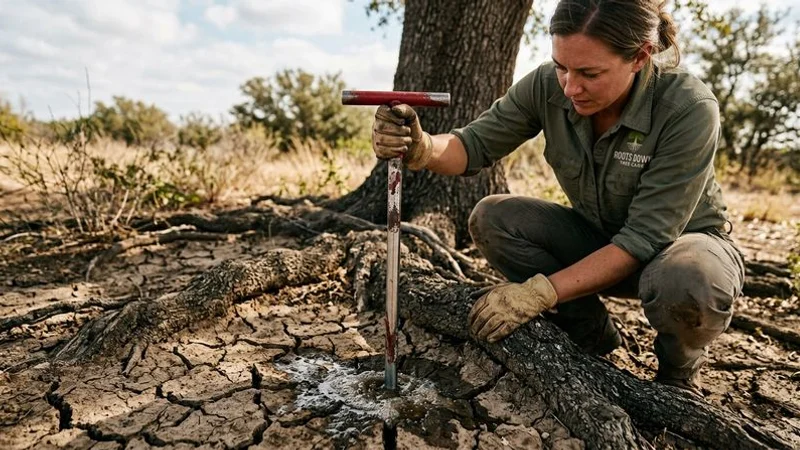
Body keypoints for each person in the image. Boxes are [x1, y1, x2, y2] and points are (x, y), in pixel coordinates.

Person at [370, 0, 745, 396]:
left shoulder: (688, 107)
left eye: (590, 73)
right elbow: (473, 144)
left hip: (679, 251)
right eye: (562, 66)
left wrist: (538, 293)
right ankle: (590, 332)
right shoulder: (547, 85)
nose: (570, 87)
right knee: (494, 217)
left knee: (690, 281)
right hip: (599, 241)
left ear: (640, 56)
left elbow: (645, 238)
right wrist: (422, 147)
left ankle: (677, 375)